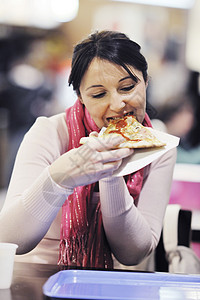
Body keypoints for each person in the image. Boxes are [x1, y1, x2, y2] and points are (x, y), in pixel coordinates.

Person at [0, 30, 176, 269]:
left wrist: (110, 177)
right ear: (81, 97)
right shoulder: (50, 133)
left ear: (145, 81)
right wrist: (60, 178)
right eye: (98, 94)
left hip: (113, 282)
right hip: (35, 277)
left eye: (127, 88)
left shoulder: (160, 147)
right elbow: (10, 239)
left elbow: (134, 254)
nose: (116, 104)